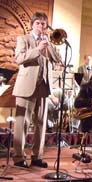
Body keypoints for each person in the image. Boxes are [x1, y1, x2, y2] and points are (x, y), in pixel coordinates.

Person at [12, 12, 62, 168]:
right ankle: (19, 157)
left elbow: (57, 59)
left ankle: (37, 156)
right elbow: (19, 59)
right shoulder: (24, 39)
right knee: (23, 123)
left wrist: (49, 44)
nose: (41, 26)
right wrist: (38, 49)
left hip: (43, 87)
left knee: (41, 123)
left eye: (43, 24)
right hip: (26, 86)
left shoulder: (48, 41)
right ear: (32, 24)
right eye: (38, 23)